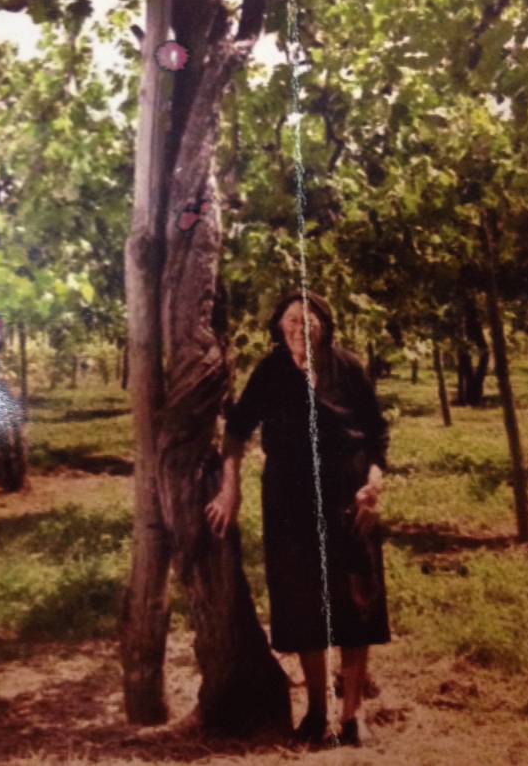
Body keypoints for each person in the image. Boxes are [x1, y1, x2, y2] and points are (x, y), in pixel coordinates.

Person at [205, 292, 390, 748]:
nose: (299, 327)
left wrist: (374, 485)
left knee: (355, 602)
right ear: (278, 327)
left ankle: (352, 715)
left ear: (325, 325)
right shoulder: (270, 372)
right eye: (290, 319)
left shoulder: (347, 367)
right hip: (288, 500)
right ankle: (316, 712)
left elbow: (378, 435)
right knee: (302, 600)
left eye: (308, 319)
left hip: (349, 498)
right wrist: (231, 489)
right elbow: (237, 431)